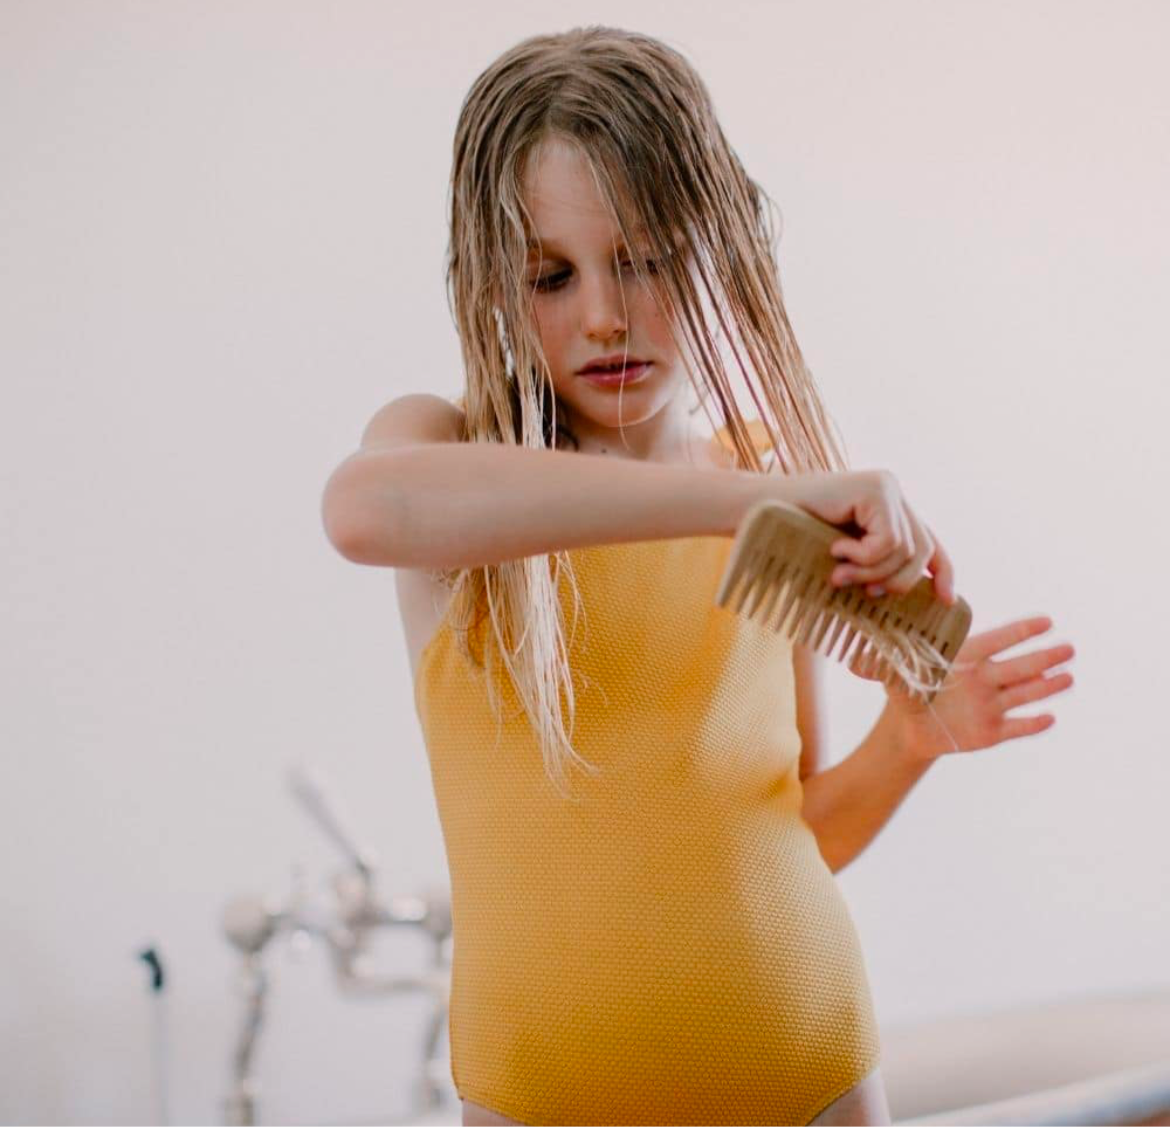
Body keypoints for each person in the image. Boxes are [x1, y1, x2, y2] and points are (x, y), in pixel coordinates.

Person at [320, 26, 1076, 1127]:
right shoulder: (441, 451)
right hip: (538, 1095)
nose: (604, 314)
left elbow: (795, 830)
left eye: (646, 258)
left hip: (807, 1065)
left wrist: (908, 737)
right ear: (490, 281)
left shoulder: (768, 479)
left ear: (718, 245)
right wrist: (737, 504)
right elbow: (360, 510)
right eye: (551, 275)